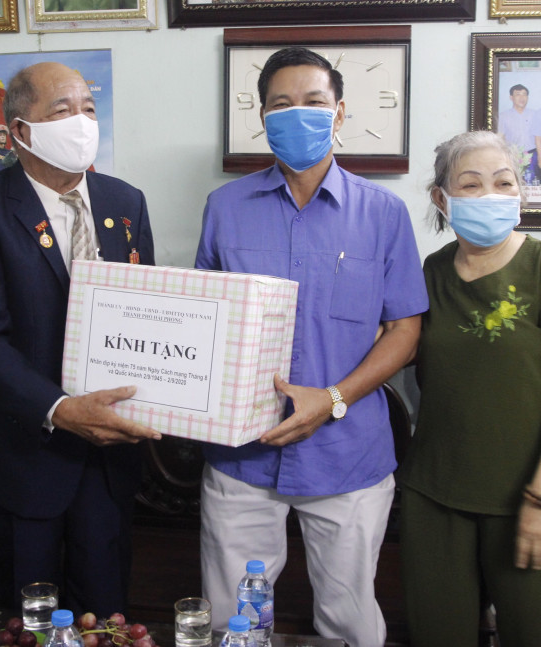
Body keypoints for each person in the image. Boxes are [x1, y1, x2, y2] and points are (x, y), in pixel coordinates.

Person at [195, 47, 427, 647]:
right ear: (262, 117)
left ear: (339, 113)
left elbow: (405, 331)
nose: (298, 113)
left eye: (314, 102)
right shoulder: (224, 208)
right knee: (232, 625)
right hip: (242, 457)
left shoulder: (384, 213)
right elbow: (202, 319)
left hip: (347, 455)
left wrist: (333, 399)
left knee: (351, 623)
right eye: (282, 103)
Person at [0, 61, 160, 615]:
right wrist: (61, 409)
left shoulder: (125, 202)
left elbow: (149, 317)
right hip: (23, 456)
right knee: (26, 621)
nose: (82, 121)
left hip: (108, 457)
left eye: (89, 108)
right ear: (20, 131)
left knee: (105, 617)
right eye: (63, 111)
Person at [399, 130, 541, 647]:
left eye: (504, 183)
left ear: (520, 192)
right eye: (470, 184)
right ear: (442, 198)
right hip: (435, 495)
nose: (489, 195)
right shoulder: (431, 272)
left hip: (529, 499)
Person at [497, 84, 536, 183]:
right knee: (514, 182)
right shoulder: (503, 116)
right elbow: (500, 138)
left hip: (532, 155)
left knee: (532, 182)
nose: (522, 97)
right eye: (518, 94)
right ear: (511, 97)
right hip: (513, 155)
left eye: (524, 94)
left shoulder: (534, 114)